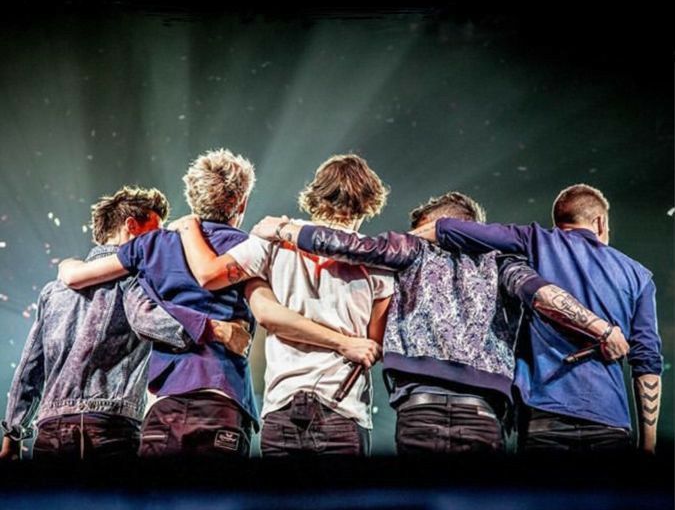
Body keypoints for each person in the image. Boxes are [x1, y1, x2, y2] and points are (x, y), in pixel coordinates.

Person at [251, 190, 629, 455]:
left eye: (422, 227)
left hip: (420, 408)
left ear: (441, 225)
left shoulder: (413, 249)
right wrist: (602, 329)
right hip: (482, 412)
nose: (415, 233)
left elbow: (353, 246)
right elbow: (544, 295)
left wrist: (284, 230)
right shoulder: (504, 263)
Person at [59, 149, 379, 459]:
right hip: (223, 397)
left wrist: (66, 265)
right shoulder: (249, 246)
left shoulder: (152, 243)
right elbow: (261, 306)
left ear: (193, 197)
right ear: (241, 203)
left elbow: (77, 277)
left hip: (165, 401)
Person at [411, 182, 662, 453]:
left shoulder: (535, 241)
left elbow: (448, 228)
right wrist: (648, 444)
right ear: (600, 222)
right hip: (609, 420)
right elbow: (646, 362)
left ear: (558, 221)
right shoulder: (638, 276)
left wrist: (402, 241)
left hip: (543, 416)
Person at [170, 153, 394, 456]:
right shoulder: (378, 262)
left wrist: (189, 226)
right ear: (369, 201)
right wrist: (343, 341)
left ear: (315, 194)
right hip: (343, 407)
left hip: (282, 403)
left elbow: (209, 275)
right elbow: (372, 345)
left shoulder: (271, 239)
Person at [0, 185, 236, 463]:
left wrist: (13, 436)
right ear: (131, 227)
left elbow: (30, 367)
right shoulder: (135, 279)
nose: (160, 242)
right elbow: (147, 320)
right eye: (155, 231)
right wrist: (210, 328)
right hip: (110, 427)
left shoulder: (53, 290)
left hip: (51, 429)